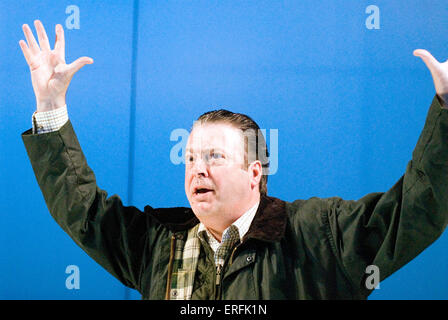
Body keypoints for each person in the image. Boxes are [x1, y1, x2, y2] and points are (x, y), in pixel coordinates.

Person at [20, 20, 448, 300]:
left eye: (214, 156)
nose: (196, 169)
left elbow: (417, 208)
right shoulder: (156, 244)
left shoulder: (322, 235)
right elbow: (83, 212)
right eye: (189, 157)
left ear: (254, 172)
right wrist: (51, 106)